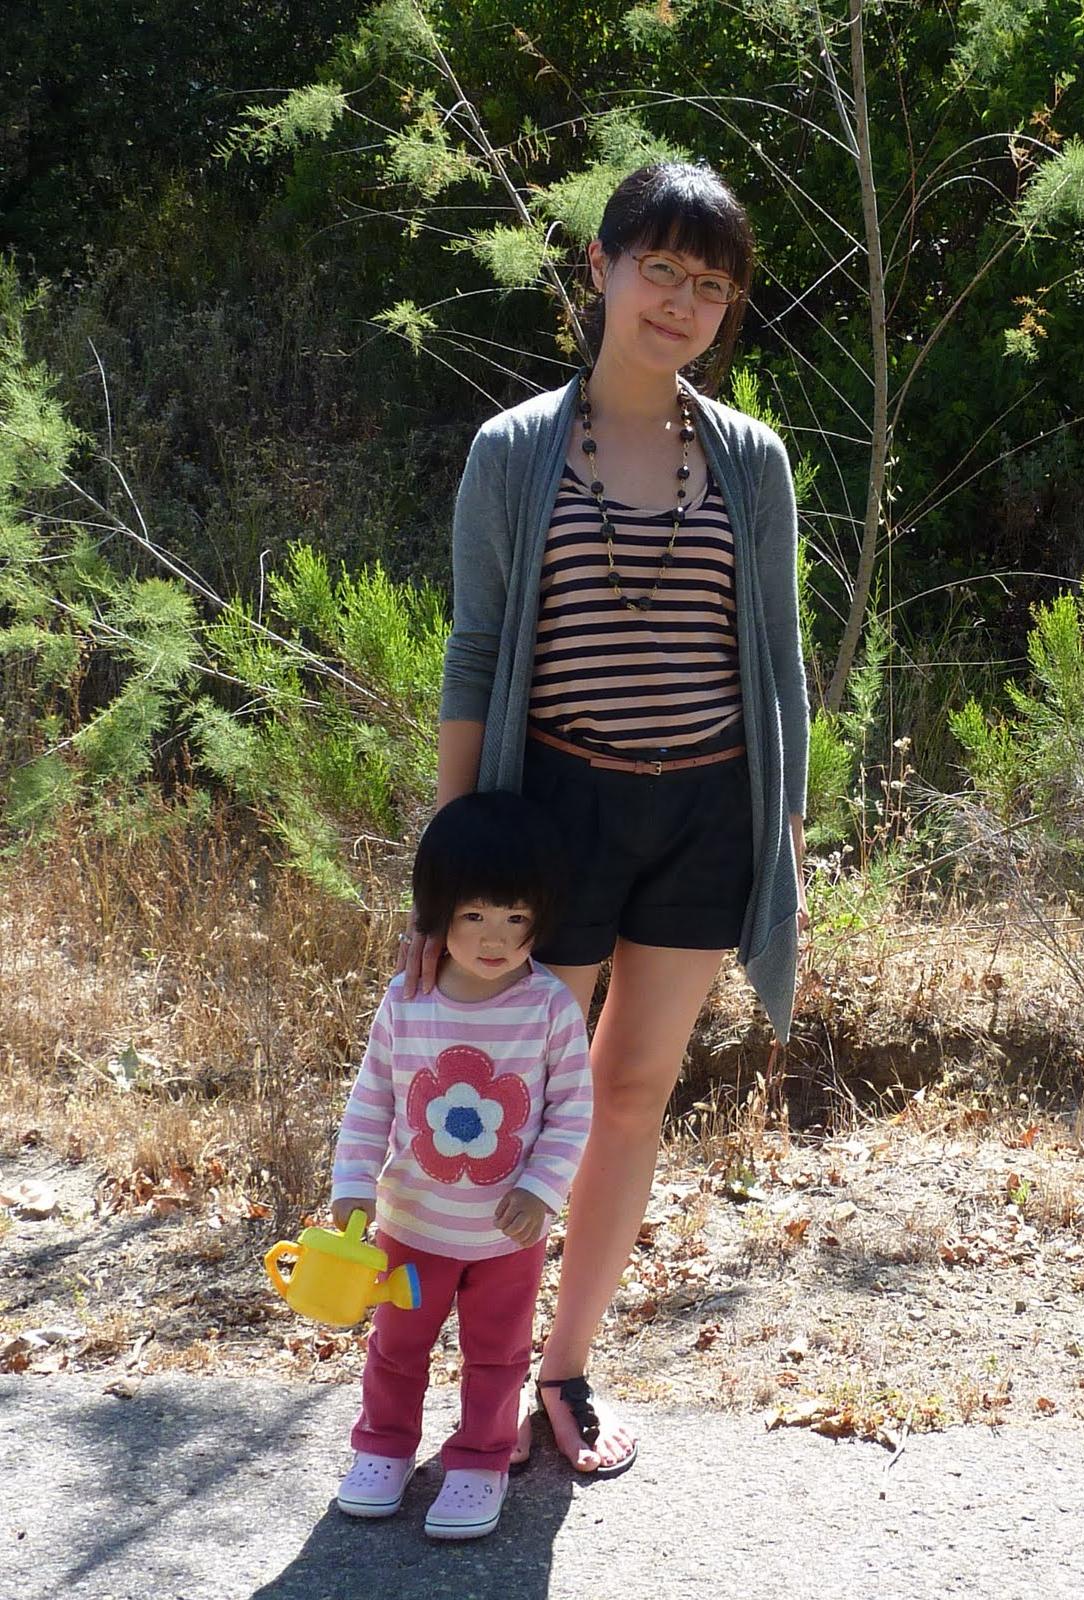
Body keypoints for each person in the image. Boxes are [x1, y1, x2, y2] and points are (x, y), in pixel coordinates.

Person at [404, 159, 809, 1477]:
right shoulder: (513, 451)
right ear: (601, 267)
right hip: (553, 819)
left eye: (710, 285)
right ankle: (480, 1383)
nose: (680, 301)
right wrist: (454, 852)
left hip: (708, 814)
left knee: (628, 1096)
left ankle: (561, 1375)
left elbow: (776, 663)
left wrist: (780, 830)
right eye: (660, 270)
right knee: (522, 1102)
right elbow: (475, 652)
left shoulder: (750, 460)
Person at [331, 789, 592, 1539]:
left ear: (541, 917)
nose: (493, 937)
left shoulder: (548, 1007)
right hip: (411, 1226)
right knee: (396, 1347)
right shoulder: (406, 999)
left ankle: (479, 1461)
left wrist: (543, 1190)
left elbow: (574, 1110)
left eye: (516, 918)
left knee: (496, 1357)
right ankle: (381, 1449)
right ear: (438, 908)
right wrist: (352, 1186)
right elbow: (371, 1098)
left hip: (506, 1237)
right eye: (474, 914)